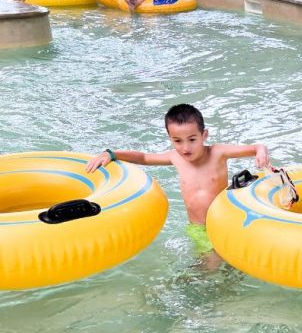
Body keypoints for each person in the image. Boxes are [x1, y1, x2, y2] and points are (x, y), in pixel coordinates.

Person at [85, 104, 268, 259]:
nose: (185, 148)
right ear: (170, 138)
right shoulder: (175, 157)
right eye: (177, 141)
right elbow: (143, 157)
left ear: (204, 135)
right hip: (197, 228)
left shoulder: (218, 152)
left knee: (215, 264)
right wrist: (110, 153)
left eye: (192, 139)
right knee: (209, 264)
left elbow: (257, 147)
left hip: (222, 223)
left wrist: (260, 153)